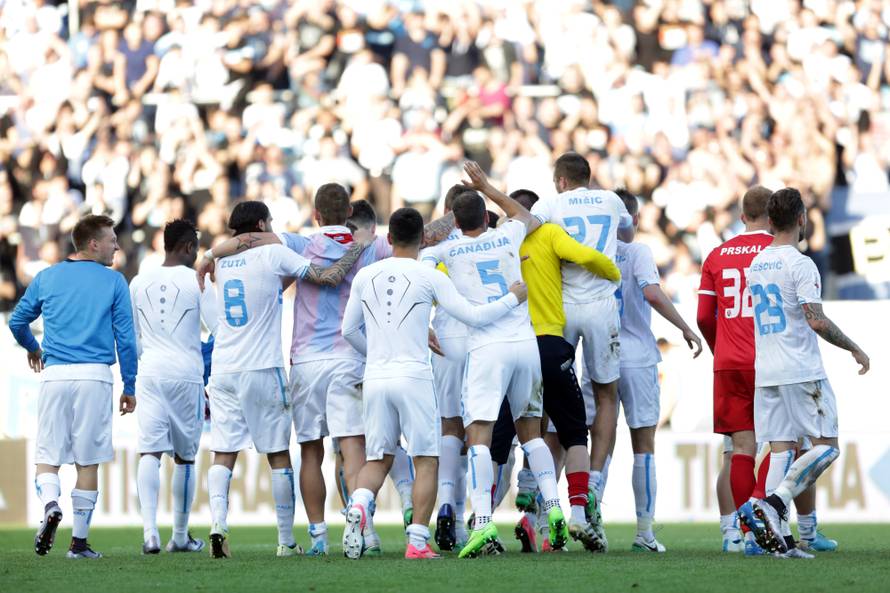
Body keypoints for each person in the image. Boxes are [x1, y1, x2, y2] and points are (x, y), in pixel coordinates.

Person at [197, 185, 455, 556]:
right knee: (353, 447)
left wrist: (209, 254)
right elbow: (428, 234)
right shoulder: (373, 244)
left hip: (305, 360)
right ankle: (365, 535)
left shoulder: (299, 244)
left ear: (315, 214)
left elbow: (253, 239)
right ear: (349, 210)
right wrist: (462, 209)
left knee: (311, 450)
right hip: (350, 355)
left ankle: (318, 537)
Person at [340, 207, 528, 560]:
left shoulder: (366, 274)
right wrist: (512, 298)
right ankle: (417, 542)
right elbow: (472, 315)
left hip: (377, 377)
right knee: (426, 459)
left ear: (389, 237)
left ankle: (360, 506)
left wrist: (379, 351)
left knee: (378, 459)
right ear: (423, 239)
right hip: (413, 376)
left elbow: (348, 330)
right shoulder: (428, 274)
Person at [462, 162, 624, 554]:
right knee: (572, 432)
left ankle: (484, 517)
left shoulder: (498, 243)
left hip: (509, 348)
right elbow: (591, 257)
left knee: (498, 439)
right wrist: (612, 273)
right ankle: (578, 511)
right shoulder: (549, 234)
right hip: (550, 343)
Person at [203, 201, 366, 559]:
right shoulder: (274, 253)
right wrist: (357, 246)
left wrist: (207, 255)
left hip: (223, 367)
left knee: (222, 453)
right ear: (263, 223)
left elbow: (267, 278)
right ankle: (285, 540)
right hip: (262, 366)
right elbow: (328, 277)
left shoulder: (221, 260)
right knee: (278, 455)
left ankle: (218, 524)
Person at [421, 189, 568, 559]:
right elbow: (527, 216)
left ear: (454, 222)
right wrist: (486, 185)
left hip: (487, 349)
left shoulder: (443, 251)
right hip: (526, 345)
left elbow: (417, 245)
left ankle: (483, 521)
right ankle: (553, 507)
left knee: (479, 437)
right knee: (531, 433)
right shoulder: (507, 234)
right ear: (487, 218)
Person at [742, 188, 869, 557]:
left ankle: (778, 541)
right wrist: (854, 348)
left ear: (769, 221)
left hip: (766, 370)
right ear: (801, 219)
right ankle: (774, 504)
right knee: (827, 448)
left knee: (781, 450)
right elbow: (815, 320)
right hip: (799, 368)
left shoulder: (757, 263)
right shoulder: (800, 264)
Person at [8, 214, 138, 559]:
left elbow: (17, 321)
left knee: (48, 459)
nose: (116, 246)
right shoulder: (114, 282)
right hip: (94, 377)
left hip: (55, 374)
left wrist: (34, 349)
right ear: (93, 243)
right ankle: (78, 545)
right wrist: (130, 384)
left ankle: (51, 504)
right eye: (111, 239)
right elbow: (125, 338)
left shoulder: (47, 277)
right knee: (88, 463)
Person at [528, 152, 633, 547]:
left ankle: (543, 498)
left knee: (552, 399)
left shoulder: (550, 204)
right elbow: (628, 235)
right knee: (607, 396)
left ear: (560, 181)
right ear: (588, 177)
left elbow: (529, 229)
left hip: (563, 307)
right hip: (602, 305)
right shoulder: (610, 200)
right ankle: (593, 488)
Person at [613, 189, 703, 552]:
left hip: (599, 354)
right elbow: (651, 294)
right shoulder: (638, 251)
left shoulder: (589, 251)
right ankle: (644, 531)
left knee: (595, 442)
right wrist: (684, 326)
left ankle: (590, 524)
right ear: (635, 220)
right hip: (636, 354)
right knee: (643, 445)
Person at [129, 219, 217, 554]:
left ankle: (149, 532)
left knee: (149, 452)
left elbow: (134, 337)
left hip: (149, 373)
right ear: (188, 247)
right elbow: (219, 331)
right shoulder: (198, 281)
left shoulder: (138, 281)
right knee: (185, 457)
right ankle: (179, 535)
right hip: (186, 374)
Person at [697, 186, 775, 553]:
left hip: (728, 362)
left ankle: (743, 533)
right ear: (773, 216)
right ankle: (770, 521)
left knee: (740, 448)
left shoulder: (716, 255)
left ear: (742, 216)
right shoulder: (778, 253)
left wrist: (720, 348)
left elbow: (702, 316)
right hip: (771, 361)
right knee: (785, 442)